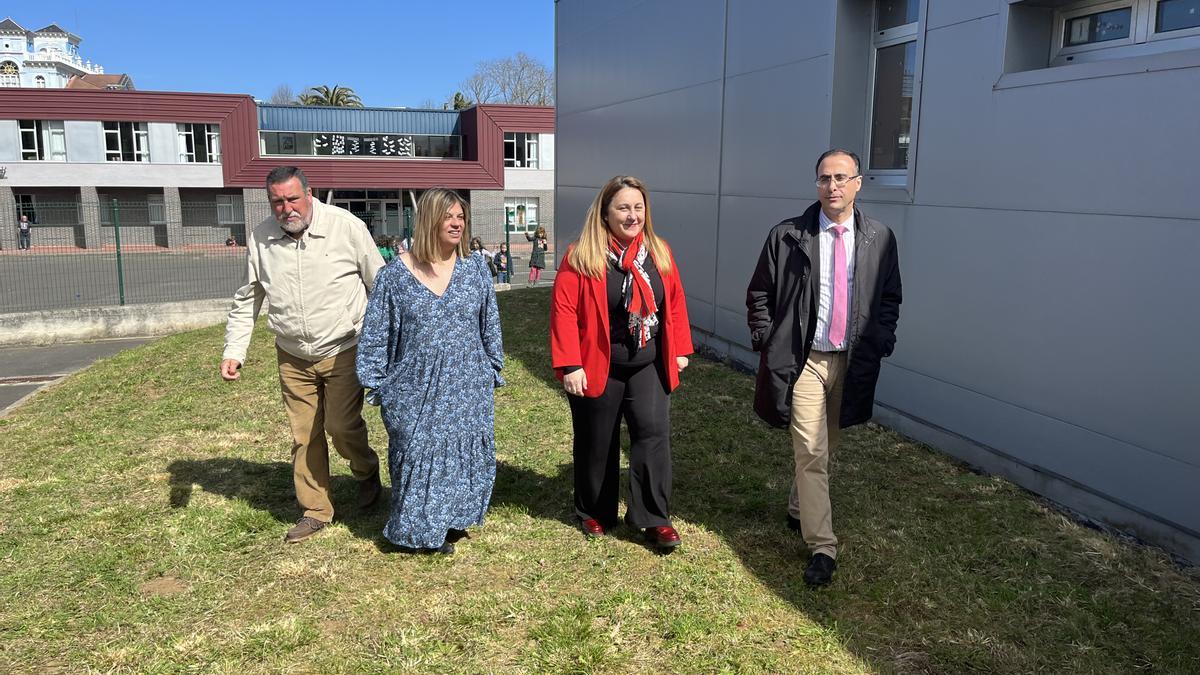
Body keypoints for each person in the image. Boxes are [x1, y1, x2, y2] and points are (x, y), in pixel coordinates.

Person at [746, 149, 902, 586]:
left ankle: (798, 508)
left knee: (825, 448)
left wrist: (882, 339)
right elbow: (759, 293)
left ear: (858, 184)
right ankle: (823, 547)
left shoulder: (879, 239)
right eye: (823, 178)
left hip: (849, 363)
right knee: (811, 451)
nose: (831, 186)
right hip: (804, 361)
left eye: (840, 178)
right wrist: (766, 339)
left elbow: (889, 298)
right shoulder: (788, 235)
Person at [221, 166, 386, 544]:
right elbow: (248, 298)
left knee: (342, 428)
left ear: (309, 194)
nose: (286, 209)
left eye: (293, 199)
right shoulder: (261, 237)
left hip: (344, 345)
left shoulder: (346, 227)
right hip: (292, 354)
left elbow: (380, 284)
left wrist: (389, 341)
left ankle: (365, 470)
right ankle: (316, 509)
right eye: (277, 201)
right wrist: (234, 350)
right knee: (304, 434)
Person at [550, 176, 694, 551]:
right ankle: (595, 510)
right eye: (623, 208)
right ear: (605, 213)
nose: (633, 216)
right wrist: (570, 364)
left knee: (652, 435)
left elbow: (674, 301)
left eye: (638, 207)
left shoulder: (659, 251)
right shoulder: (581, 255)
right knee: (597, 439)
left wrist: (679, 350)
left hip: (648, 361)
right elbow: (564, 311)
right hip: (598, 361)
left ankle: (653, 518)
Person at [357, 188, 504, 555]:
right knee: (418, 449)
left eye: (461, 217)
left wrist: (492, 366)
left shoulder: (475, 270)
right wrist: (378, 383)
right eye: (448, 216)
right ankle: (414, 533)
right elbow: (377, 332)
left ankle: (450, 519)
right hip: (414, 386)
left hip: (468, 382)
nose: (457, 223)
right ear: (428, 220)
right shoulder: (395, 276)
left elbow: (490, 324)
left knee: (461, 450)